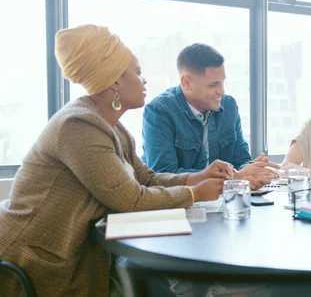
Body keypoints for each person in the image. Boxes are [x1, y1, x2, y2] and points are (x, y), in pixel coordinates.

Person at [0, 25, 233, 297]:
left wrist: (199, 177)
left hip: (74, 250)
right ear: (114, 83)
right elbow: (131, 200)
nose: (144, 81)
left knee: (143, 276)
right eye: (137, 72)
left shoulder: (111, 126)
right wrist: (194, 194)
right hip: (36, 259)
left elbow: (146, 179)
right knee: (143, 277)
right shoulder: (79, 125)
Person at [142, 43, 276, 190]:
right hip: (182, 205)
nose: (221, 91)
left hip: (224, 201)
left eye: (223, 82)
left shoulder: (229, 105)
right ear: (186, 83)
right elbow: (164, 175)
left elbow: (241, 159)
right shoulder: (159, 111)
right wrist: (233, 177)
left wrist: (251, 171)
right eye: (213, 85)